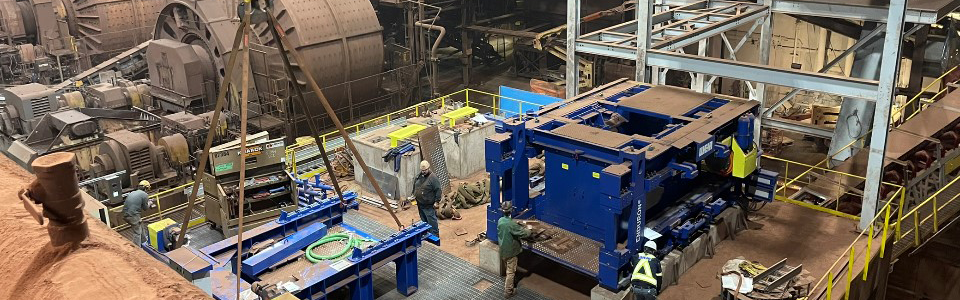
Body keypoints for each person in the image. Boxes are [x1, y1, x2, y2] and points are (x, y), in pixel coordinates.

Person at [497, 201, 530, 298]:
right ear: (511, 210)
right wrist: (529, 229)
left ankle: (509, 284)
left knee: (508, 268)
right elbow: (524, 234)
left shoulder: (500, 220)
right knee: (511, 272)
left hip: (503, 250)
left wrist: (515, 224)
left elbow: (509, 227)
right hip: (511, 252)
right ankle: (508, 292)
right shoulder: (511, 224)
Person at [412, 160, 441, 237]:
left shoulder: (433, 178)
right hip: (420, 204)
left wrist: (437, 201)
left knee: (431, 220)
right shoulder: (419, 176)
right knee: (423, 220)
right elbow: (415, 185)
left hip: (429, 205)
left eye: (425, 170)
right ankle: (427, 233)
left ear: (428, 168)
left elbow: (438, 190)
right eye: (422, 170)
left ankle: (434, 235)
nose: (423, 172)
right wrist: (413, 195)